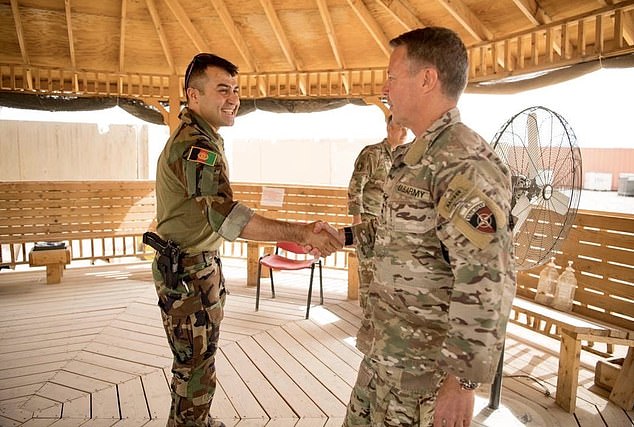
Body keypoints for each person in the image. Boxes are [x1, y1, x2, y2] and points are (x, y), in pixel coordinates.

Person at [333, 27, 516, 427]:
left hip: (426, 382)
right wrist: (342, 237)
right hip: (386, 359)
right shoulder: (418, 156)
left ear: (427, 79)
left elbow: (488, 277)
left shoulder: (462, 163)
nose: (385, 88)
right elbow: (403, 239)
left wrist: (462, 383)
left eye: (392, 77)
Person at [153, 53, 341, 427]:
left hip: (195, 269)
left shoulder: (203, 137)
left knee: (196, 364)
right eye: (223, 90)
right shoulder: (197, 147)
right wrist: (301, 232)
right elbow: (226, 217)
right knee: (193, 369)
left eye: (236, 90)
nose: (234, 99)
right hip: (189, 274)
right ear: (193, 95)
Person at [347, 115, 407, 308]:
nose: (405, 132)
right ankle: (367, 316)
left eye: (406, 129)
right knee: (368, 270)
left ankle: (381, 315)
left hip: (387, 222)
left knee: (385, 270)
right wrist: (357, 221)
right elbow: (356, 187)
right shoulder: (373, 153)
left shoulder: (402, 157)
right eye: (400, 128)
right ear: (390, 128)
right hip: (367, 219)